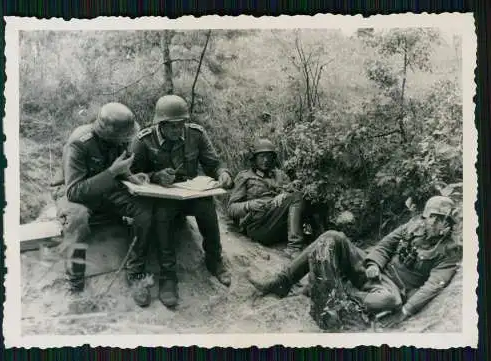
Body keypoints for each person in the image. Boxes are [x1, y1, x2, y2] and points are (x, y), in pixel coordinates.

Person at [248, 196, 461, 328]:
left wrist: (406, 312)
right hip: (371, 271)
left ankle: (338, 291)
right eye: (433, 216)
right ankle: (283, 280)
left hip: (390, 288)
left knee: (390, 302)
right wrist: (373, 264)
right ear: (425, 216)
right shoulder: (411, 226)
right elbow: (384, 246)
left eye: (443, 219)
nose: (436, 222)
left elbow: (433, 285)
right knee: (333, 236)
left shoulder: (449, 251)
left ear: (449, 224)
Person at [131, 94, 233, 308]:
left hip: (190, 193)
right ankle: (168, 276)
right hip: (162, 198)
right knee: (162, 215)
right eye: (173, 127)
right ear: (161, 124)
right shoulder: (144, 141)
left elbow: (213, 162)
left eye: (181, 125)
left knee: (206, 205)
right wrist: (155, 176)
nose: (179, 131)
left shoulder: (196, 134)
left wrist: (223, 172)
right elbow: (131, 175)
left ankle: (214, 259)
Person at [61, 102, 155, 308]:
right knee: (78, 221)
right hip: (79, 197)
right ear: (109, 133)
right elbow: (73, 191)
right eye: (123, 137)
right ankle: (75, 283)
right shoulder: (79, 143)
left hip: (108, 192)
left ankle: (135, 273)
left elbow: (119, 167)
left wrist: (131, 178)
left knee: (144, 212)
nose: (126, 141)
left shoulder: (119, 139)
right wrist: (112, 172)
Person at [227, 138, 306, 259]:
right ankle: (294, 247)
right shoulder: (245, 177)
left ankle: (304, 238)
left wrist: (284, 193)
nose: (266, 160)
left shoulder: (280, 175)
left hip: (277, 224)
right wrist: (249, 205)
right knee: (295, 198)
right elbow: (231, 209)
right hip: (258, 227)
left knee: (302, 196)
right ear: (254, 158)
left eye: (269, 156)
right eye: (262, 156)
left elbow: (294, 197)